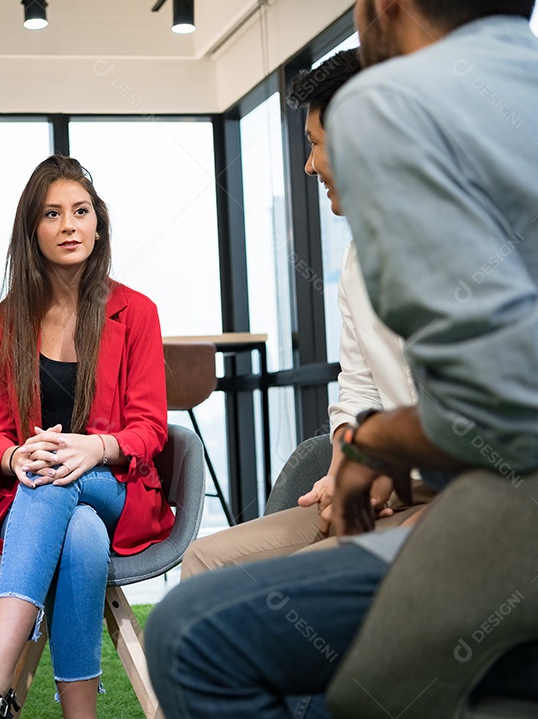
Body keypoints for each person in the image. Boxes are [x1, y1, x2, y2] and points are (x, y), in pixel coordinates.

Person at [147, 0, 538, 716]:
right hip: (508, 488)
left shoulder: (392, 101)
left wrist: (371, 443)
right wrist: (358, 445)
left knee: (191, 636)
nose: (314, 161)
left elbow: (508, 417)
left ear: (385, 6)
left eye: (318, 143)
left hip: (528, 503)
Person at [179, 49, 434, 580]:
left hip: (453, 496)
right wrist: (344, 459)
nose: (308, 165)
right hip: (380, 482)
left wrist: (382, 469)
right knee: (203, 559)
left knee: (283, 588)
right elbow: (359, 391)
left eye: (316, 145)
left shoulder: (448, 246)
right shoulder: (357, 257)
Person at [0, 155, 173, 719]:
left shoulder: (137, 312)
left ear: (98, 224)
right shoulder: (3, 324)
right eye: (52, 214)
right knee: (78, 532)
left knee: (59, 483)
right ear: (33, 230)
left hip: (118, 489)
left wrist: (94, 448)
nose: (69, 225)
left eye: (81, 212)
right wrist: (17, 454)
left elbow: (151, 428)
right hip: (39, 496)